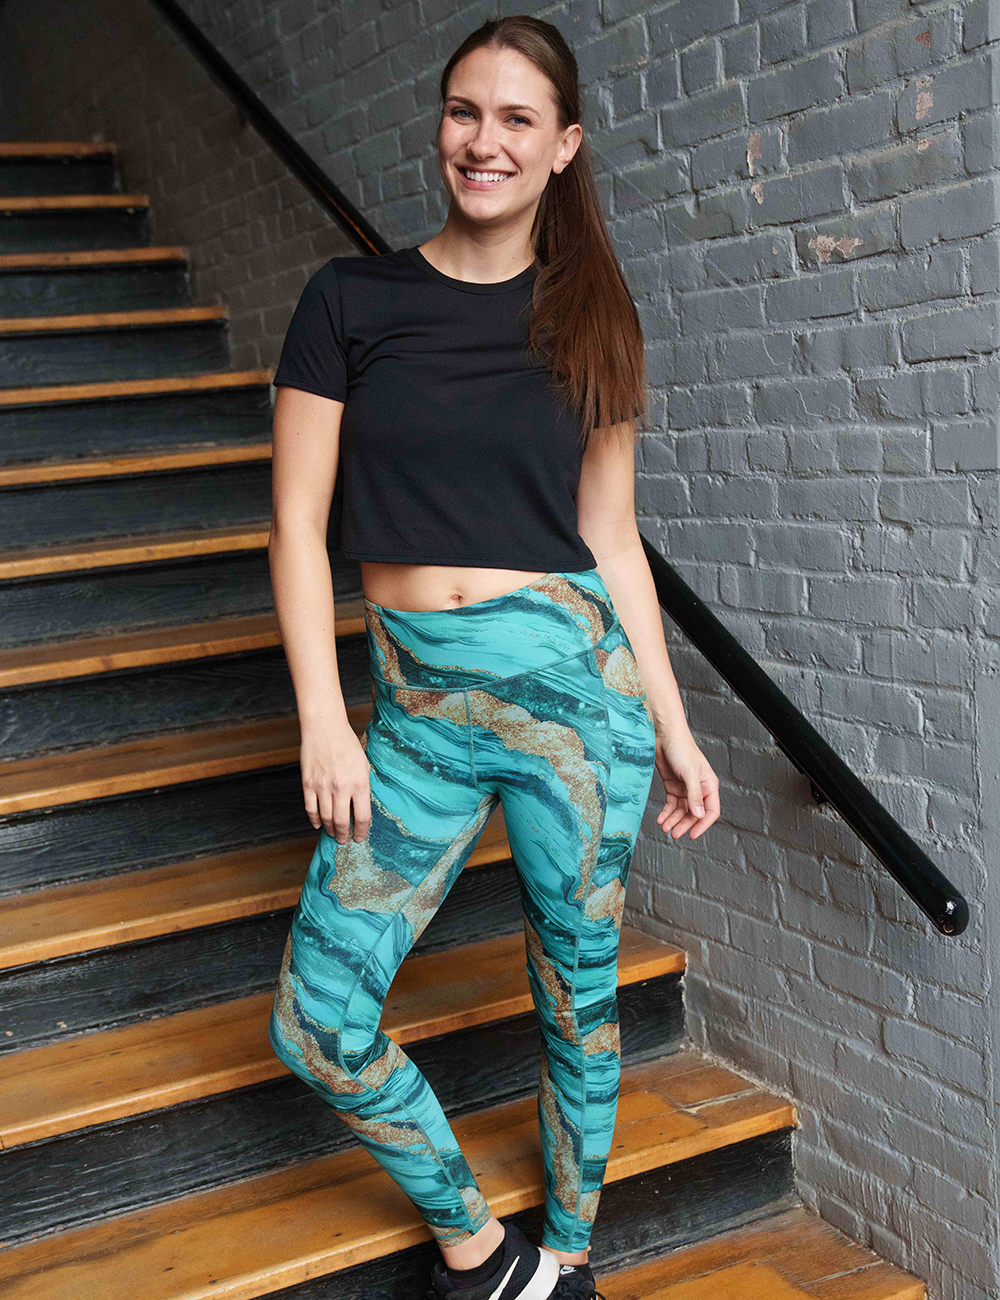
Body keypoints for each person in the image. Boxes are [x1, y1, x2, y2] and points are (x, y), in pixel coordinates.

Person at [265, 14, 720, 1300]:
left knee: (576, 993)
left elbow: (613, 541)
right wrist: (323, 718)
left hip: (581, 702)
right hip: (414, 715)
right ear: (440, 126)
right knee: (317, 1020)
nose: (486, 141)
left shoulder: (594, 318)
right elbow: (295, 524)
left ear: (563, 145)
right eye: (466, 111)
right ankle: (477, 1247)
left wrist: (674, 725)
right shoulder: (349, 301)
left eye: (518, 119)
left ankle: (565, 1257)